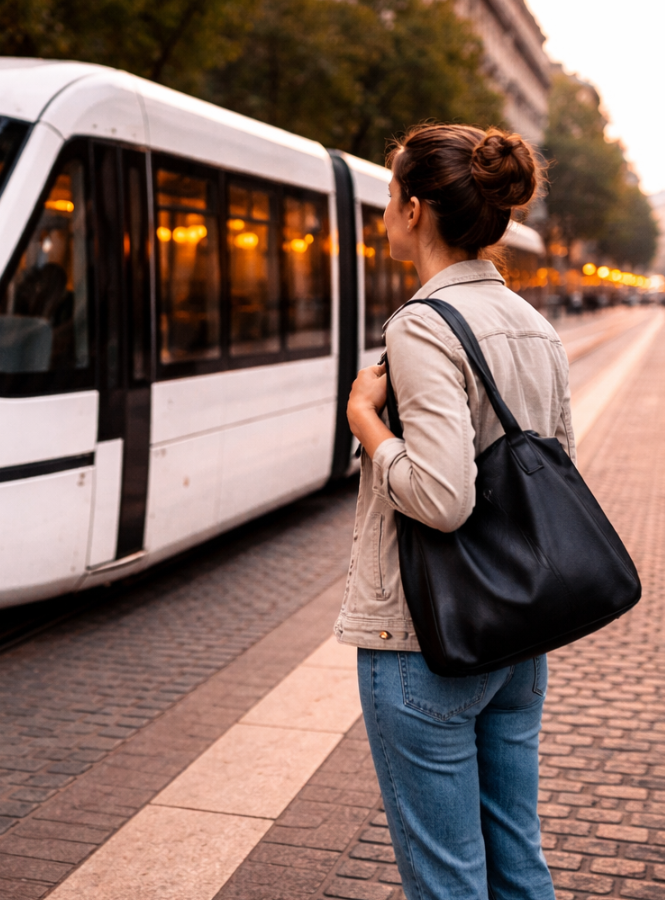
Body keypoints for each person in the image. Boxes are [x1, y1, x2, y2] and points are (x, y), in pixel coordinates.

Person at [336, 123, 568, 899]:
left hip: (426, 641)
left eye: (388, 198)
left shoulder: (422, 326)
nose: (383, 216)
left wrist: (366, 422)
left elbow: (442, 497)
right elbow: (558, 470)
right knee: (518, 863)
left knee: (449, 881)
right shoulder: (535, 326)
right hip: (519, 633)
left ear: (414, 209)